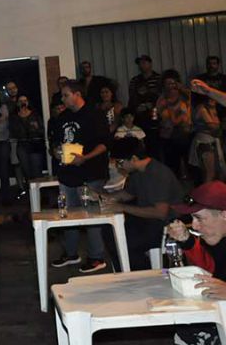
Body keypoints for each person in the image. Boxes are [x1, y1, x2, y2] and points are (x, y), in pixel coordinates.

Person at [166, 181, 226, 345]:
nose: (194, 225)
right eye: (192, 218)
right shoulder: (219, 239)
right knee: (188, 332)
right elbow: (208, 269)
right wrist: (187, 241)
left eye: (199, 218)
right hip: (217, 319)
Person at [51, 80, 110, 273]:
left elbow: (104, 143)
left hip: (91, 172)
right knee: (68, 214)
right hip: (68, 173)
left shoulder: (94, 114)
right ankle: (71, 253)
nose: (62, 99)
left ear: (77, 94)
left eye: (66, 95)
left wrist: (85, 157)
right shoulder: (63, 117)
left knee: (91, 215)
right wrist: (56, 152)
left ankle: (96, 256)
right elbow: (55, 142)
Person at [100, 137, 183, 270]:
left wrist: (122, 207)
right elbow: (127, 194)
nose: (118, 166)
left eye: (120, 162)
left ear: (134, 158)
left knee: (125, 241)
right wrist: (102, 197)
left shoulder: (157, 174)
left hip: (165, 224)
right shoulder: (137, 172)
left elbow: (160, 213)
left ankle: (140, 273)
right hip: (147, 220)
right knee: (110, 231)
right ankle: (127, 270)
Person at [156, 69, 192, 177]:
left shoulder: (184, 96)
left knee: (190, 165)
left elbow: (194, 98)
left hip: (186, 135)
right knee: (172, 167)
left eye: (173, 83)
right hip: (169, 137)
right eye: (168, 83)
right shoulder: (162, 100)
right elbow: (167, 118)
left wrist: (183, 89)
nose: (171, 86)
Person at [128, 54, 162, 156]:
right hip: (139, 116)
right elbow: (131, 98)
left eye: (143, 62)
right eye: (139, 63)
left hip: (155, 115)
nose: (141, 65)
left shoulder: (158, 79)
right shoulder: (134, 80)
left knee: (155, 143)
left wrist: (151, 105)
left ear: (150, 64)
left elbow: (163, 96)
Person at [10, 95, 46, 185]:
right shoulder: (14, 117)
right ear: (17, 103)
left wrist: (36, 127)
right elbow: (13, 133)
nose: (23, 103)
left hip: (35, 145)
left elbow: (42, 131)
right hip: (22, 146)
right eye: (21, 101)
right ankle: (30, 192)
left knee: (37, 172)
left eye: (25, 100)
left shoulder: (35, 114)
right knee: (27, 172)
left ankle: (39, 192)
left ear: (28, 102)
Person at [189, 96, 226, 183]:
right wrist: (220, 126)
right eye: (211, 98)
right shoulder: (202, 109)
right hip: (204, 142)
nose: (213, 100)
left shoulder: (212, 108)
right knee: (209, 173)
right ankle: (206, 191)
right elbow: (213, 127)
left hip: (211, 141)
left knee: (215, 172)